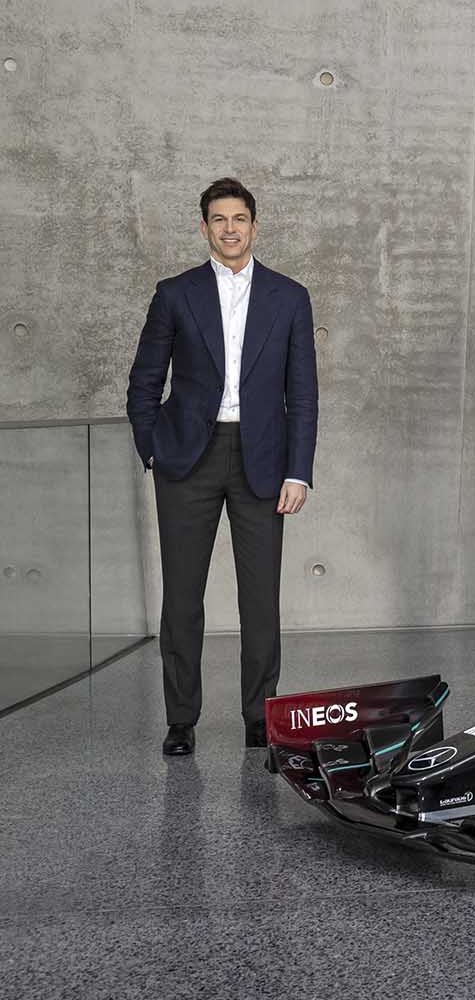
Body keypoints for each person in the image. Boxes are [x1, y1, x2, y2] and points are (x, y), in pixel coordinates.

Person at [125, 177, 317, 757]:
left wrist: (298, 471)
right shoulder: (175, 294)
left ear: (254, 227)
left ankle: (261, 717)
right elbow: (144, 379)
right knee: (182, 597)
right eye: (219, 220)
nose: (230, 229)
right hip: (187, 457)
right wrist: (152, 446)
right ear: (204, 227)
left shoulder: (289, 297)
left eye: (239, 219)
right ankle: (181, 719)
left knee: (260, 599)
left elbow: (302, 394)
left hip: (263, 460)